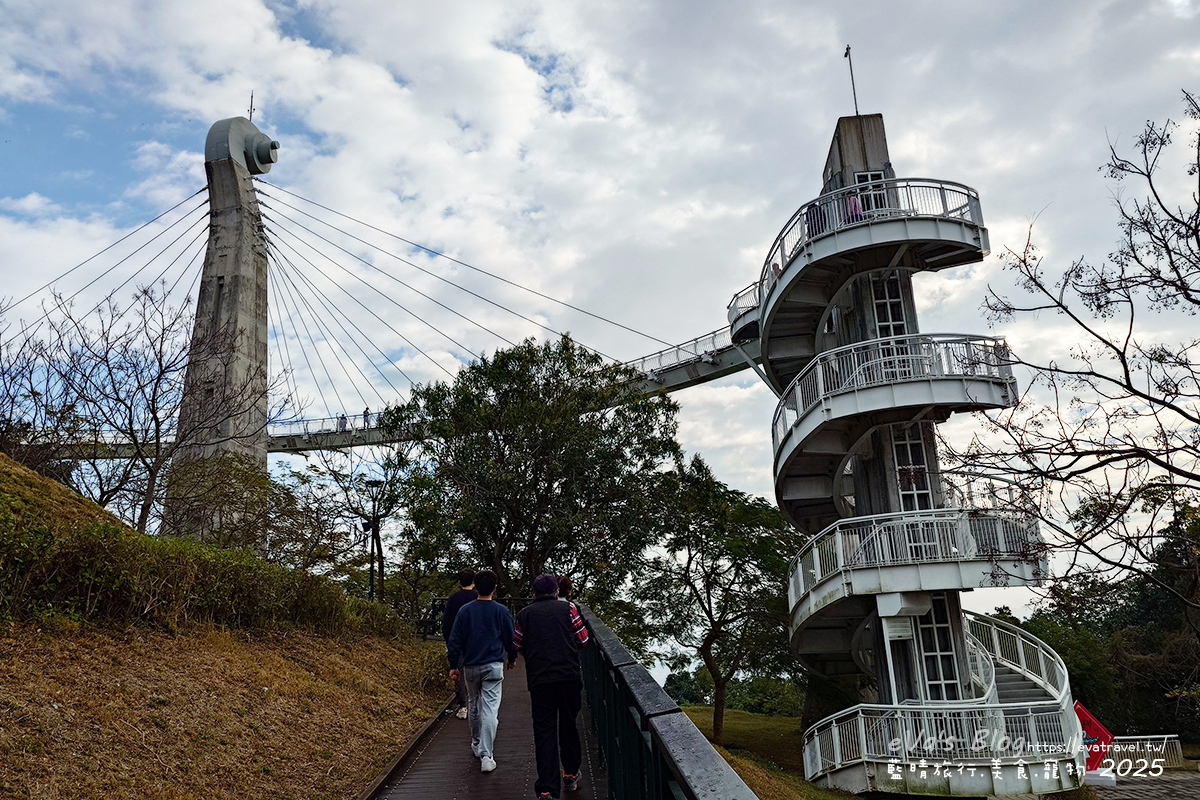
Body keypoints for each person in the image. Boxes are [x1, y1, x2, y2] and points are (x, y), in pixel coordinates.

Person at [515, 574, 589, 799]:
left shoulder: (524, 614)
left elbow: (517, 644)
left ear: (534, 594)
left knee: (544, 732)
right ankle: (570, 774)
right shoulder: (569, 609)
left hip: (540, 680)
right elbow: (583, 639)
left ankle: (547, 789)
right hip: (568, 677)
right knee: (568, 724)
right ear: (557, 593)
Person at [447, 569, 517, 773]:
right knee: (490, 709)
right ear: (494, 588)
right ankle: (487, 755)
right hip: (493, 665)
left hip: (470, 665)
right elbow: (510, 638)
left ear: (476, 586)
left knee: (474, 703)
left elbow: (455, 639)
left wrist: (453, 665)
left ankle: (476, 743)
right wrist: (511, 658)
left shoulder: (465, 611)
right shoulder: (501, 611)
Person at [442, 569, 478, 719]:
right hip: (476, 640)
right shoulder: (479, 597)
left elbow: (446, 623)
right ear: (474, 582)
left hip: (458, 640)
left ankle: (463, 706)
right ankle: (477, 704)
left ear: (459, 582)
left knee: (459, 671)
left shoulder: (453, 599)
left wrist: (449, 641)